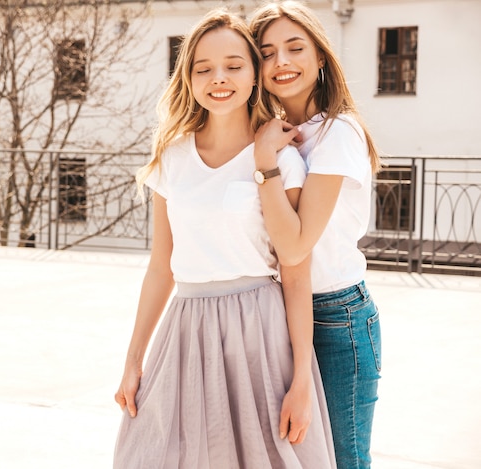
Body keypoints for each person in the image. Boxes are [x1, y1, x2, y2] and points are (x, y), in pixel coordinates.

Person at [113, 8, 336, 469]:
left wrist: (300, 381)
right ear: (188, 78)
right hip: (186, 330)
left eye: (234, 65)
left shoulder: (280, 159)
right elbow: (161, 267)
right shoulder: (170, 158)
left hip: (259, 331)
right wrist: (133, 360)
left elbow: (295, 273)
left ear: (255, 74)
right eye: (204, 68)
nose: (220, 78)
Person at [249, 2, 382, 468]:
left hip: (335, 316)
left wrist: (266, 164)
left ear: (321, 57)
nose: (281, 62)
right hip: (274, 310)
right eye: (266, 53)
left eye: (294, 48)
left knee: (344, 459)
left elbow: (297, 244)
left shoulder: (338, 132)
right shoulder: (272, 133)